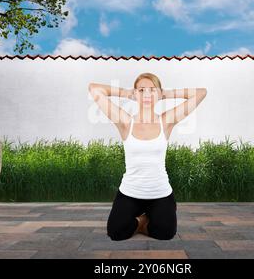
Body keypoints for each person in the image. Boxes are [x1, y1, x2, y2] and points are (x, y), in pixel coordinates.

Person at [88, 73, 207, 240]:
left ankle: (146, 220)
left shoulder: (166, 121)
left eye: (152, 90)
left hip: (160, 193)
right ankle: (142, 221)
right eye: (142, 90)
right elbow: (94, 89)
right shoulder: (125, 122)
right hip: (130, 192)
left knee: (166, 233)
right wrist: (127, 93)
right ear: (135, 93)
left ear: (158, 93)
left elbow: (201, 93)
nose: (146, 94)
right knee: (116, 232)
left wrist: (165, 94)